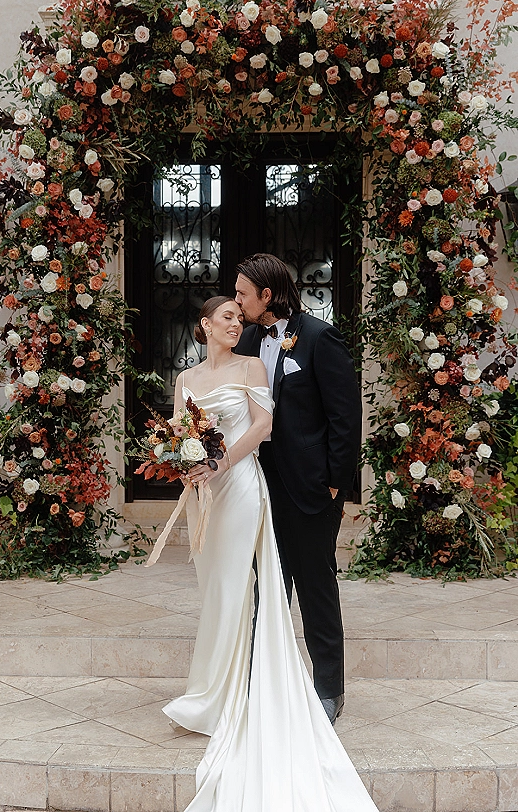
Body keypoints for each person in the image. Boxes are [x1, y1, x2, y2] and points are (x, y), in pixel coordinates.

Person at [160, 295, 377, 811]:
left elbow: (263, 426)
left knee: (241, 584)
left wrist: (218, 463)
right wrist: (179, 460)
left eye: (241, 314)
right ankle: (210, 688)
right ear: (204, 326)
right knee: (214, 586)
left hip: (239, 490)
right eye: (228, 317)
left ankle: (238, 692)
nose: (238, 322)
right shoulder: (186, 380)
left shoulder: (253, 363)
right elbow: (176, 430)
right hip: (204, 494)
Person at [234, 253, 362, 726]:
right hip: (258, 488)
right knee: (266, 588)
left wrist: (335, 483)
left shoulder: (318, 338)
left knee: (315, 588)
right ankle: (259, 683)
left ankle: (329, 689)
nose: (237, 301)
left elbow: (345, 419)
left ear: (267, 296)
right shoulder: (246, 339)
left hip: (311, 491)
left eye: (244, 294)